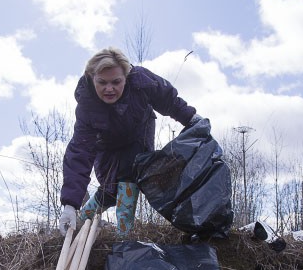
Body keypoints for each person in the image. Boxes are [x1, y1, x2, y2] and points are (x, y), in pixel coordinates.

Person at [58, 47, 202, 236]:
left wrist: (191, 118)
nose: (109, 89)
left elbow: (168, 99)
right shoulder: (88, 105)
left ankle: (124, 235)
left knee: (129, 174)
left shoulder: (141, 81)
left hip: (138, 132)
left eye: (116, 82)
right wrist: (70, 204)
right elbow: (80, 151)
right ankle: (79, 221)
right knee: (110, 189)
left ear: (126, 76)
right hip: (107, 143)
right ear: (92, 78)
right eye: (102, 82)